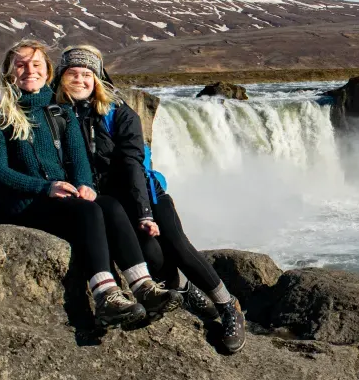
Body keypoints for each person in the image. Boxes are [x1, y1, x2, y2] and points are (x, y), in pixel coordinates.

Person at [53, 45, 249, 354]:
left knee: (177, 244)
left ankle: (228, 306)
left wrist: (145, 213)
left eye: (87, 74)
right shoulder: (57, 115)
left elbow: (133, 165)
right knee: (153, 259)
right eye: (72, 74)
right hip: (108, 202)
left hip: (145, 193)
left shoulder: (118, 113)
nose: (80, 80)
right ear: (60, 78)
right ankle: (186, 291)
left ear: (98, 78)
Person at [0, 39, 172, 328]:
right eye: (21, 64)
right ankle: (106, 297)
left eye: (37, 64)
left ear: (47, 71)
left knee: (108, 205)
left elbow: (79, 158)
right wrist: (45, 187)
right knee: (89, 212)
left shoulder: (59, 111)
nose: (30, 70)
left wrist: (83, 184)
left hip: (57, 197)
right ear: (9, 73)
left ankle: (143, 286)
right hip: (20, 203)